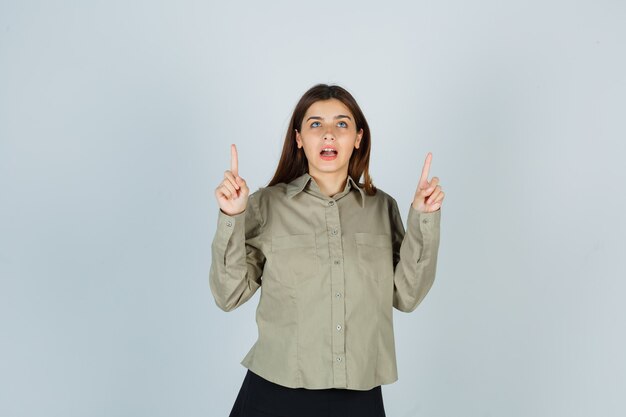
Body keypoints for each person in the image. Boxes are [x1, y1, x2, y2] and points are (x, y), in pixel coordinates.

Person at [210, 83, 445, 417]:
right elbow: (227, 294)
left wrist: (424, 218)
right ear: (299, 138)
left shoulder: (382, 209)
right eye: (316, 124)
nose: (329, 134)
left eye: (342, 124)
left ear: (358, 138)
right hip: (275, 394)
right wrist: (232, 217)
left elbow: (406, 295)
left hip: (358, 397)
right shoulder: (266, 206)